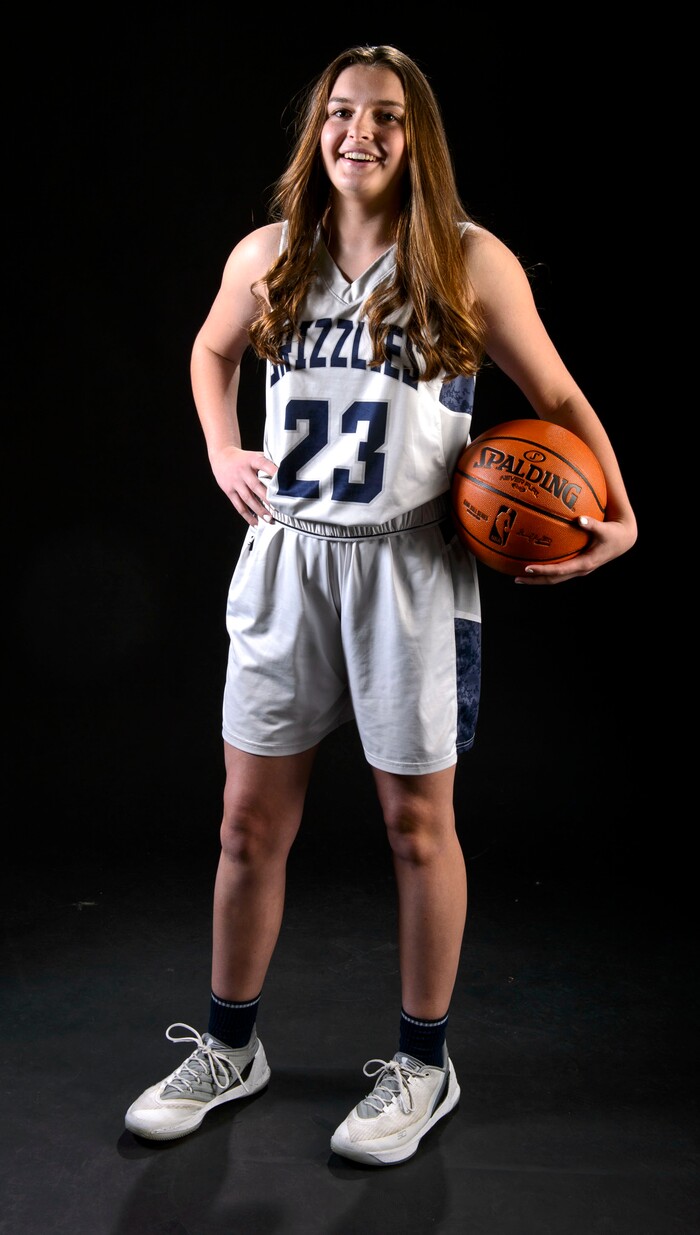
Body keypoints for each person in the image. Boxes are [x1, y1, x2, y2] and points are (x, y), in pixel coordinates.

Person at [124, 43, 637, 1165]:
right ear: (316, 130)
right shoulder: (269, 253)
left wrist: (623, 512)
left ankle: (422, 1063)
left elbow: (552, 392)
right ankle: (229, 1046)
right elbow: (210, 352)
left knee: (416, 827)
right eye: (342, 113)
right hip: (287, 558)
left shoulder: (465, 258)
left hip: (412, 568)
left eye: (388, 118)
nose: (361, 132)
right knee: (246, 821)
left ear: (419, 138)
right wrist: (223, 448)